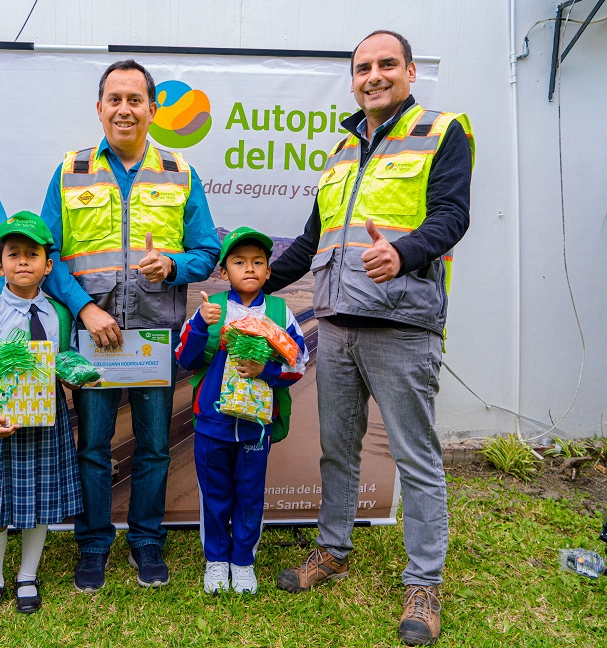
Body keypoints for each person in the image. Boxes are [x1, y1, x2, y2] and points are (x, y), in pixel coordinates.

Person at [265, 31, 474, 646]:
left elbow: (452, 215)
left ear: (410, 72)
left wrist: (404, 253)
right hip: (336, 325)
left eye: (387, 64)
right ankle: (333, 550)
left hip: (402, 325)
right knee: (338, 449)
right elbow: (312, 242)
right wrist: (248, 278)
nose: (374, 75)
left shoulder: (442, 130)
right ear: (353, 80)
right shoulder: (341, 150)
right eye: (363, 68)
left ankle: (424, 583)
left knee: (417, 457)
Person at [41, 59, 221, 591]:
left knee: (153, 448)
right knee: (93, 447)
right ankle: (93, 545)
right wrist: (84, 308)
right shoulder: (71, 170)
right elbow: (45, 254)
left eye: (134, 100)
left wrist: (172, 266)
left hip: (153, 338)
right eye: (114, 100)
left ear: (153, 108)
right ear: (100, 109)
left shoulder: (180, 172)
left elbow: (208, 251)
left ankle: (146, 542)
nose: (124, 109)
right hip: (92, 338)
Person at [0, 211, 82, 619]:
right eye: (14, 254)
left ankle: (28, 576)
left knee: (39, 503)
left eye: (33, 254)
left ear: (49, 265)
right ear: (0, 266)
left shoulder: (60, 315)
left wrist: (79, 377)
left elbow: (65, 365)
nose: (23, 261)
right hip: (1, 423)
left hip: (48, 423)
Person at [175, 227, 307, 595]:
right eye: (239, 262)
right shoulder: (212, 308)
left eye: (258, 262)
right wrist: (200, 324)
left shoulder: (279, 312)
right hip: (213, 424)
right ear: (223, 272)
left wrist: (264, 370)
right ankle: (216, 561)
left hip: (255, 428)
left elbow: (299, 363)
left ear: (268, 272)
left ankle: (243, 562)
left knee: (249, 495)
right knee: (214, 494)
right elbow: (184, 358)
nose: (249, 268)